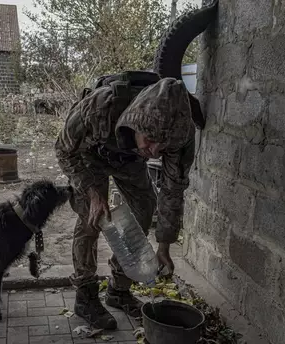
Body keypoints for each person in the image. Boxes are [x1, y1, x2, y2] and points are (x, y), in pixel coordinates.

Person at [55, 76, 196, 330]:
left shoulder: (179, 134)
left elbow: (173, 191)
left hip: (130, 160)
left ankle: (119, 290)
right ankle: (85, 296)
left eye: (162, 147)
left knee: (144, 208)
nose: (154, 151)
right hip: (90, 156)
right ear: (136, 123)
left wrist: (164, 245)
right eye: (150, 140)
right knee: (91, 217)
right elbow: (64, 150)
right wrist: (93, 193)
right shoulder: (100, 107)